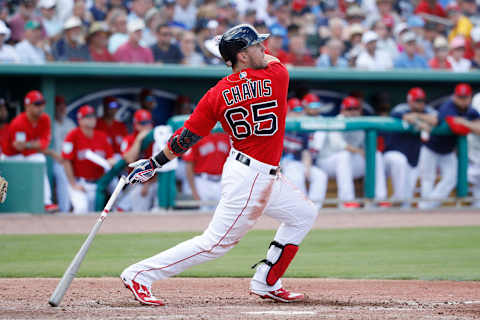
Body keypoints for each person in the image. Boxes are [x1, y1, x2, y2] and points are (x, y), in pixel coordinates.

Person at [121, 24, 317, 306]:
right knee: (214, 243)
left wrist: (155, 162)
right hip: (250, 177)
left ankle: (267, 281)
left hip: (252, 171)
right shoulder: (277, 75)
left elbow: (185, 138)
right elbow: (269, 60)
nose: (263, 48)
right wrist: (226, 47)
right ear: (243, 55)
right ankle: (140, 274)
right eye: (256, 45)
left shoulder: (216, 93)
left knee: (303, 214)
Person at [310, 96, 388, 209]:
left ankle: (380, 198)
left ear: (359, 110)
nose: (352, 112)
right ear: (342, 110)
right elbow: (337, 145)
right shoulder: (336, 121)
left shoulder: (361, 123)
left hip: (349, 163)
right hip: (328, 162)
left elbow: (367, 146)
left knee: (375, 155)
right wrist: (358, 151)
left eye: (355, 109)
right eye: (349, 109)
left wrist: (366, 152)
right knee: (344, 155)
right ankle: (346, 200)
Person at [418, 83, 480, 209]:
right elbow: (456, 127)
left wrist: (464, 122)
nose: (462, 100)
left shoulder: (471, 110)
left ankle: (428, 206)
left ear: (469, 98)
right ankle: (425, 208)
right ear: (455, 97)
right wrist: (469, 124)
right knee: (427, 179)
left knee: (451, 179)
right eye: (460, 97)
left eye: (465, 97)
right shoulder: (448, 106)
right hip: (431, 147)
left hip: (448, 151)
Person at [2, 90, 58, 212]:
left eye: (42, 103)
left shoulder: (45, 119)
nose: (40, 107)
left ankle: (46, 202)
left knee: (40, 159)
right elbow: (18, 147)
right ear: (27, 106)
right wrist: (32, 145)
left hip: (28, 154)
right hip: (10, 156)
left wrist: (28, 145)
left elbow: (43, 144)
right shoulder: (18, 122)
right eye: (36, 104)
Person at [383, 87, 437, 207]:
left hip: (413, 157)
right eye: (417, 100)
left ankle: (398, 212)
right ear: (410, 101)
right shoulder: (401, 108)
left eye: (422, 100)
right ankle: (392, 200)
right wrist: (422, 123)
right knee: (400, 161)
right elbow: (406, 117)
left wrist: (419, 117)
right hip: (392, 155)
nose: (421, 103)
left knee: (407, 196)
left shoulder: (427, 110)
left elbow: (436, 119)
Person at [62, 105, 115, 214]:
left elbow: (111, 158)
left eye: (93, 116)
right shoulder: (72, 135)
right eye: (87, 116)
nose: (91, 119)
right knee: (81, 208)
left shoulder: (102, 136)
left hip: (98, 183)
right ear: (80, 120)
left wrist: (111, 161)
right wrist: (73, 184)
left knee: (93, 214)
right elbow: (66, 161)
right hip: (79, 182)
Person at [281, 98, 327, 208]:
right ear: (288, 111)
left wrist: (308, 167)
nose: (298, 114)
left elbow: (306, 151)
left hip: (299, 162)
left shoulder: (302, 128)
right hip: (285, 163)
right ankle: (302, 208)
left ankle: (314, 208)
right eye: (295, 111)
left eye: (300, 111)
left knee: (320, 176)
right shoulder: (280, 124)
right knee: (296, 175)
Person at [182, 132, 230, 211]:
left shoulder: (226, 137)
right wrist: (194, 191)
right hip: (203, 181)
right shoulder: (196, 137)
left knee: (221, 214)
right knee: (202, 213)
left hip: (221, 182)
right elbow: (189, 165)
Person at [120, 109, 156, 212]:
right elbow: (129, 159)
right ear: (136, 125)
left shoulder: (157, 139)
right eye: (143, 123)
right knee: (121, 209)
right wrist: (139, 140)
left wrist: (148, 184)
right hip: (135, 183)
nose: (146, 126)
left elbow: (163, 166)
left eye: (148, 123)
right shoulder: (129, 139)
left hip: (153, 182)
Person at [52, 95, 76, 212]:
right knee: (62, 174)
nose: (61, 108)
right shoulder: (50, 123)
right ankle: (64, 210)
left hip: (69, 160)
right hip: (53, 161)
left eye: (63, 105)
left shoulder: (70, 123)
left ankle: (72, 207)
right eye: (58, 105)